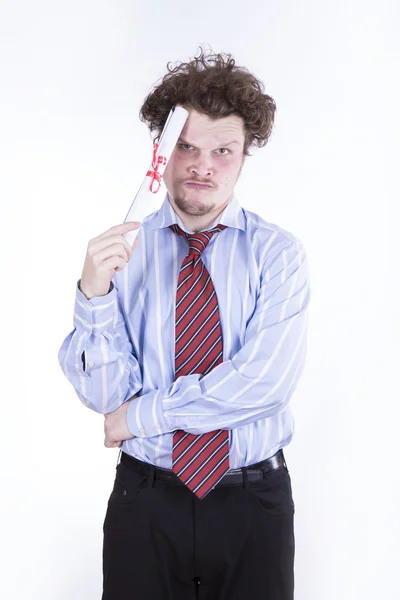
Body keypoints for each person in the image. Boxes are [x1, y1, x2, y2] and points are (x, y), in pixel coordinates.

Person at [58, 48, 311, 600]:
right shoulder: (123, 253)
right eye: (187, 147)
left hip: (254, 504)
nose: (202, 165)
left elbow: (262, 384)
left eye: (223, 150)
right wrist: (94, 295)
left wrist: (142, 415)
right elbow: (107, 397)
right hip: (146, 502)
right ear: (162, 153)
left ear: (243, 158)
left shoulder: (279, 255)